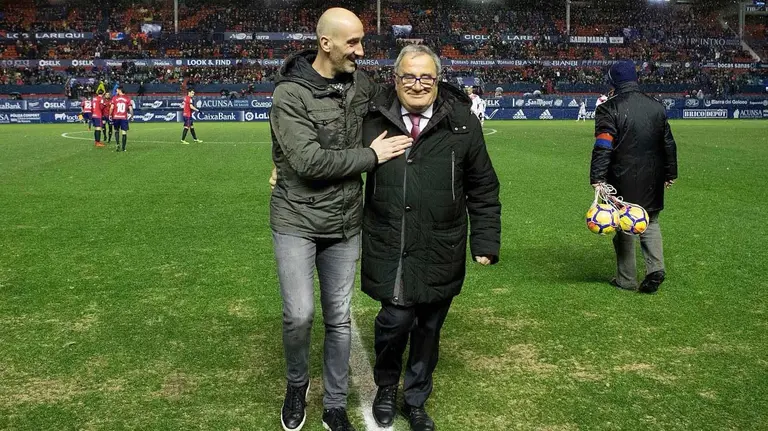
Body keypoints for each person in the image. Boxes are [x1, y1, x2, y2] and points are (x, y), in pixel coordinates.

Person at [269, 8, 412, 431]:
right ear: (325, 43)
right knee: (299, 314)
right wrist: (371, 157)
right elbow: (308, 161)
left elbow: (401, 99)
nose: (361, 51)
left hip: (346, 222)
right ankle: (297, 386)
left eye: (362, 41)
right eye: (352, 43)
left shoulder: (361, 83)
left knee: (339, 317)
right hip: (296, 218)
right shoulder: (290, 95)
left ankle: (334, 403)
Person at [361, 45, 501, 431]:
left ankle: (416, 398)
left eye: (426, 77)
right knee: (394, 320)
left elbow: (483, 186)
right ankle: (387, 385)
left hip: (442, 244)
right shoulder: (372, 118)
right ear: (395, 79)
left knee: (428, 328)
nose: (417, 84)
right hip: (389, 242)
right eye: (409, 76)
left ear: (437, 81)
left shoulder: (462, 122)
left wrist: (485, 242)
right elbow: (334, 151)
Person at [590, 60, 678, 294]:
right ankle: (655, 268)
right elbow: (668, 143)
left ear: (613, 82)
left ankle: (626, 279)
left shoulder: (608, 108)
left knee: (623, 225)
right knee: (651, 220)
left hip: (621, 177)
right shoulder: (656, 106)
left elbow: (603, 146)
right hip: (653, 175)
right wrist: (671, 173)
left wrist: (597, 177)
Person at [110, 85, 133, 152]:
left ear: (120, 90)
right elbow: (130, 109)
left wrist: (110, 115)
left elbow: (111, 108)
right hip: (123, 117)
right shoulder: (127, 98)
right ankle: (123, 148)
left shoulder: (114, 98)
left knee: (116, 131)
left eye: (117, 90)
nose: (116, 91)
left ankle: (117, 144)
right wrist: (132, 116)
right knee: (124, 132)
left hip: (116, 117)